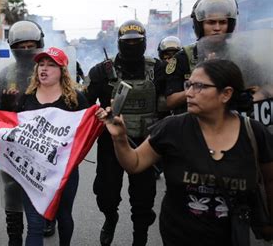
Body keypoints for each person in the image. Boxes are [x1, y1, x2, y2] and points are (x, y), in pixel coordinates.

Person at [97, 59, 273, 245]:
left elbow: (269, 181)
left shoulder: (254, 133)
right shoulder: (171, 128)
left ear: (226, 94)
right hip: (178, 235)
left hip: (233, 236)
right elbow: (135, 163)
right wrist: (119, 138)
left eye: (199, 87)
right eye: (189, 85)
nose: (188, 93)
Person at [86, 20, 164, 246]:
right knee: (106, 195)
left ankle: (140, 238)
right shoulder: (101, 71)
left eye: (136, 42)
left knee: (143, 199)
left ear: (144, 43)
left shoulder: (156, 69)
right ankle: (110, 218)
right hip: (110, 144)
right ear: (119, 43)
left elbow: (170, 100)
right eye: (127, 42)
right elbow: (84, 104)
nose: (132, 45)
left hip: (145, 143)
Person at [2, 47, 88, 246]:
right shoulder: (26, 98)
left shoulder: (75, 99)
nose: (44, 69)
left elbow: (88, 130)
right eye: (41, 64)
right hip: (31, 171)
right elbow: (10, 130)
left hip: (63, 172)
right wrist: (6, 108)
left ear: (62, 70)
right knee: (34, 223)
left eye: (51, 65)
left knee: (64, 216)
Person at [0, 20, 50, 245]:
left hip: (43, 144)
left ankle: (46, 219)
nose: (27, 51)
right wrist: (4, 106)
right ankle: (14, 236)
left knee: (43, 188)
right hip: (14, 144)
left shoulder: (50, 72)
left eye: (31, 46)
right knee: (12, 191)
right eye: (21, 47)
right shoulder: (4, 75)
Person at [165, 0, 238, 114]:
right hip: (192, 125)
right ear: (200, 26)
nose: (217, 28)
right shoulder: (184, 57)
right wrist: (201, 83)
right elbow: (170, 101)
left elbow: (264, 87)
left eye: (223, 22)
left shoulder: (239, 54)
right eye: (211, 22)